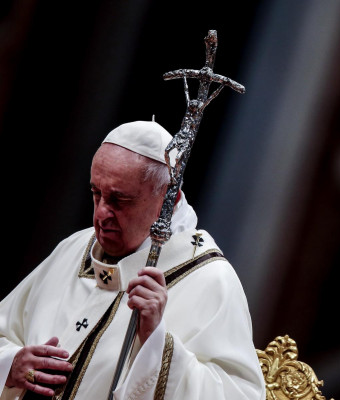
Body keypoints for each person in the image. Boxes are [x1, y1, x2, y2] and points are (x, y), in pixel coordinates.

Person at [0, 121, 266, 400]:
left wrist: (156, 344)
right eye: (96, 194)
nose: (101, 214)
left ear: (169, 198)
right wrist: (11, 365)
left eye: (119, 200)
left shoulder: (209, 278)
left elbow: (240, 394)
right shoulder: (75, 247)